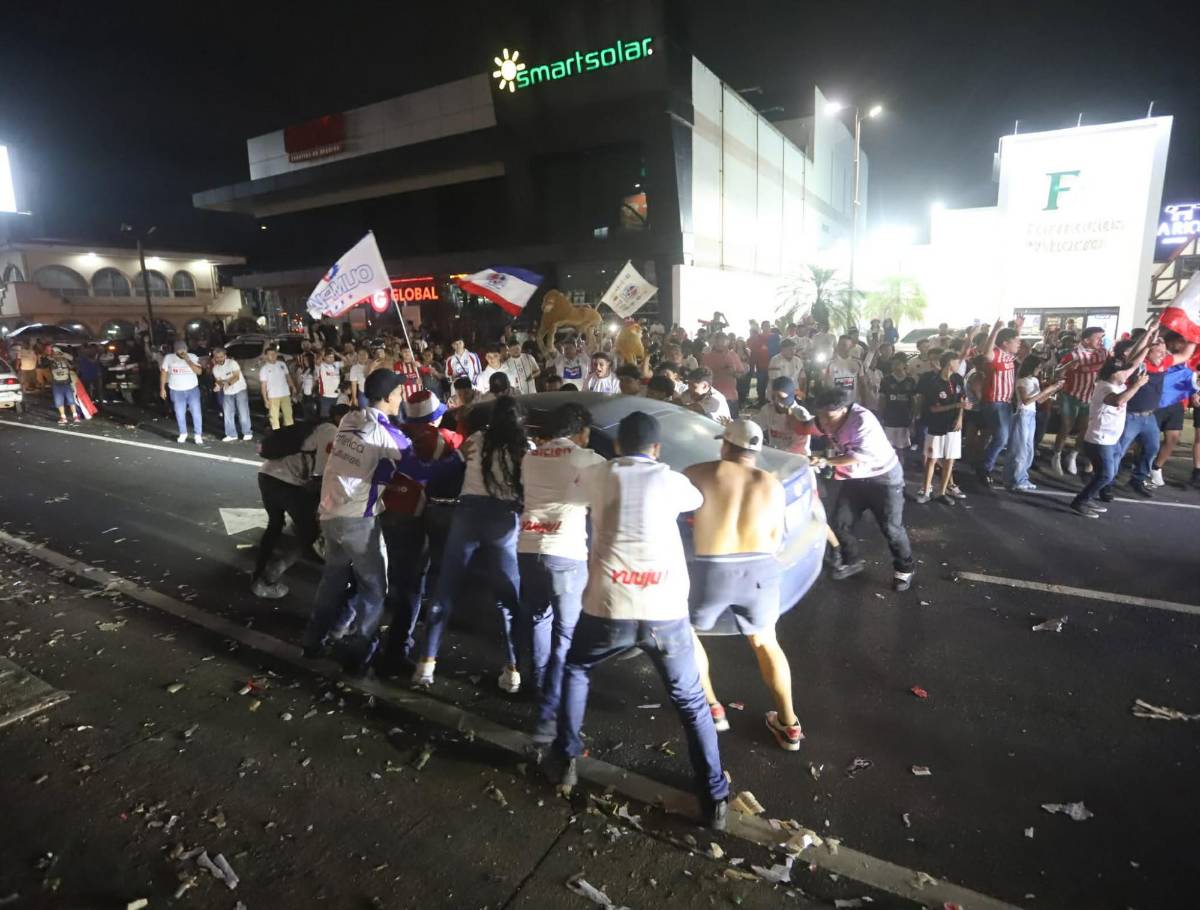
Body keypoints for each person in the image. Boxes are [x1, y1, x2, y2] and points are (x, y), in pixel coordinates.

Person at [542, 412, 729, 830]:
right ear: (657, 449)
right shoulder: (672, 480)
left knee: (576, 668)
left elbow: (573, 492)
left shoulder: (598, 474)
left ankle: (566, 758)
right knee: (691, 701)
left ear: (620, 446)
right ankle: (714, 797)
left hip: (608, 605)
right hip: (665, 611)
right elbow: (696, 501)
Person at [685, 419, 803, 751]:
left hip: (713, 572)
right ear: (757, 449)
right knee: (766, 643)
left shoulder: (699, 472)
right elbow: (777, 537)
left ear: (725, 444)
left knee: (686, 632)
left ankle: (713, 707)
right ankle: (789, 725)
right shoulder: (772, 484)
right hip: (761, 571)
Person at [412, 396, 528, 692]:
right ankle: (513, 671)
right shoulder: (526, 448)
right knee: (508, 600)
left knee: (445, 590)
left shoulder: (478, 437)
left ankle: (426, 666)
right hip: (504, 522)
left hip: (468, 516)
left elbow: (453, 463)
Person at [302, 370, 412, 673]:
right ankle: (360, 654)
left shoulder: (350, 420)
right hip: (358, 523)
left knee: (332, 581)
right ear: (389, 397)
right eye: (399, 393)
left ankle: (313, 640)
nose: (401, 398)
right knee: (374, 589)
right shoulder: (388, 435)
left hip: (330, 515)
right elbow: (419, 467)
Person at [521, 403, 608, 742]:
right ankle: (550, 707)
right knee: (566, 633)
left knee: (539, 619)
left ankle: (540, 681)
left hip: (528, 548)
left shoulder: (531, 456)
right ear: (579, 432)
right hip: (565, 554)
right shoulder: (586, 459)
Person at [375, 391, 466, 675]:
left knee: (393, 578)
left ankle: (362, 632)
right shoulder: (442, 438)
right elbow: (466, 446)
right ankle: (396, 651)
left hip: (383, 510)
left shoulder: (395, 433)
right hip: (411, 516)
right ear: (435, 416)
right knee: (411, 587)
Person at [812, 388, 915, 591]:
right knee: (840, 522)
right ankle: (852, 560)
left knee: (891, 529)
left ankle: (905, 568)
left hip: (884, 478)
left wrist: (825, 461)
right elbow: (809, 427)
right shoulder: (826, 418)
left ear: (844, 410)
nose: (824, 422)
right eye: (820, 416)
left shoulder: (862, 421)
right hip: (856, 478)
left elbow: (855, 457)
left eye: (828, 417)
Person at [251, 415, 339, 599]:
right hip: (286, 481)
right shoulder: (331, 431)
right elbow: (320, 473)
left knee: (275, 525)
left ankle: (258, 575)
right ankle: (270, 576)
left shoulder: (312, 425)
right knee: (309, 532)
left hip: (266, 475)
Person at [1070, 333, 1153, 518]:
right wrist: (1137, 385)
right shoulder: (1104, 387)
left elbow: (1133, 365)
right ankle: (1080, 502)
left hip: (1111, 439)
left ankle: (1087, 498)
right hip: (1099, 440)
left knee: (1109, 472)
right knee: (1106, 475)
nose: (1126, 374)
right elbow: (1118, 401)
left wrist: (1147, 346)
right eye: (1121, 372)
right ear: (1112, 374)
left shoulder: (1118, 382)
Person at [1106, 334, 1172, 499]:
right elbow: (1135, 356)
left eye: (1164, 351)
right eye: (1159, 351)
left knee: (1151, 448)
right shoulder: (1136, 365)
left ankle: (1138, 479)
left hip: (1149, 417)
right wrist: (1150, 334)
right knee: (1119, 451)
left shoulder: (1162, 365)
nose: (1163, 354)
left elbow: (1184, 355)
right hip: (1130, 416)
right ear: (1148, 352)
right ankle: (1106, 483)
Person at [1050, 326, 1107, 477]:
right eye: (1098, 338)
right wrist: (1069, 367)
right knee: (1066, 427)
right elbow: (1057, 372)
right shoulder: (1073, 354)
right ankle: (1056, 454)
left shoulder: (1103, 352)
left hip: (1091, 396)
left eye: (1102, 337)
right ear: (1086, 340)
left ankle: (1073, 455)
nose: (1101, 341)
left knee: (1085, 428)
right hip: (1071, 395)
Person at [916, 351, 969, 504]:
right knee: (932, 458)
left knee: (949, 460)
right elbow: (933, 408)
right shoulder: (933, 382)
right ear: (948, 362)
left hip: (953, 425)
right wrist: (957, 405)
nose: (959, 364)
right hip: (937, 425)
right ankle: (926, 490)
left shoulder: (958, 379)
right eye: (957, 361)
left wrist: (960, 417)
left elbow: (962, 400)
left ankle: (942, 492)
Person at [1005, 356, 1064, 493]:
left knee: (1029, 448)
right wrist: (1047, 390)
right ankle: (1014, 479)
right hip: (1022, 414)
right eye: (1038, 367)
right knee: (1019, 449)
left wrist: (1053, 389)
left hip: (1031, 415)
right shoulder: (1022, 381)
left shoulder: (1034, 380)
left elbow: (1040, 400)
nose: (1040, 369)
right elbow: (1026, 400)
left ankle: (1022, 477)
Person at [977, 318, 1022, 487]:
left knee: (999, 437)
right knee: (1001, 438)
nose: (1019, 343)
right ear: (1004, 343)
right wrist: (995, 329)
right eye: (1015, 341)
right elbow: (986, 352)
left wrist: (1017, 328)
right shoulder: (995, 354)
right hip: (994, 402)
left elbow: (1015, 341)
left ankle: (984, 463)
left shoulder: (1009, 355)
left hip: (1005, 403)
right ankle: (984, 467)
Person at [160, 339, 204, 444]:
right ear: (175, 350)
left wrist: (188, 360)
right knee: (180, 413)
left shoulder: (192, 356)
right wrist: (162, 388)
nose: (182, 351)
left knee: (196, 413)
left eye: (183, 349)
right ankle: (183, 433)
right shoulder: (169, 358)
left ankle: (198, 435)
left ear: (186, 349)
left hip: (192, 389)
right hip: (176, 390)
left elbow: (199, 372)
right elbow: (164, 373)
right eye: (179, 350)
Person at [763, 376, 816, 455]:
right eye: (774, 397)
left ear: (791, 396)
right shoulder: (768, 410)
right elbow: (755, 426)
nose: (777, 401)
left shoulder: (801, 415)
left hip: (797, 459)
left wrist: (775, 453)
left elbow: (799, 446)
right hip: (774, 456)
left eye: (781, 397)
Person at [211, 347, 253, 442]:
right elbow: (219, 381)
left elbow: (236, 377)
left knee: (243, 412)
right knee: (228, 413)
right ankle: (231, 434)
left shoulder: (232, 363)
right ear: (215, 358)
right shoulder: (215, 369)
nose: (219, 359)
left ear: (225, 356)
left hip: (240, 389)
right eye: (217, 357)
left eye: (221, 357)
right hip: (227, 392)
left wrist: (226, 384)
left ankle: (247, 432)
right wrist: (218, 386)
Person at [878, 354, 917, 456]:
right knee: (887, 448)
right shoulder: (886, 380)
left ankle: (901, 469)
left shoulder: (910, 381)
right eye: (893, 364)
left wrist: (913, 419)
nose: (895, 366)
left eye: (898, 364)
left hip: (904, 419)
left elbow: (913, 401)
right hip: (889, 418)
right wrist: (881, 416)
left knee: (901, 449)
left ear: (904, 365)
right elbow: (882, 400)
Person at [702, 334, 746, 418]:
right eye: (718, 341)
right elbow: (702, 377)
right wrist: (722, 371)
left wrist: (733, 373)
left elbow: (741, 374)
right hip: (711, 397)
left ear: (727, 343)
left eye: (723, 342)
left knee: (732, 426)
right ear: (714, 342)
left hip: (730, 397)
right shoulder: (706, 357)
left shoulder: (733, 355)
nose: (721, 344)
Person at [259, 347, 296, 430]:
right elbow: (263, 386)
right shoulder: (264, 369)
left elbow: (288, 376)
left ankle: (290, 432)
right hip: (273, 396)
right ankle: (276, 434)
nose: (272, 356)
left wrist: (293, 386)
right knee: (274, 417)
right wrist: (265, 400)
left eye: (274, 354)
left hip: (285, 394)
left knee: (288, 415)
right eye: (270, 354)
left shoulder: (282, 364)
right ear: (266, 356)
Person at [826, 335, 866, 403]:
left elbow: (862, 383)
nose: (842, 347)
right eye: (840, 344)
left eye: (845, 345)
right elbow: (825, 383)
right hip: (836, 403)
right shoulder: (829, 363)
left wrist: (864, 400)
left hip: (853, 403)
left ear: (851, 346)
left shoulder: (857, 362)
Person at [48, 348, 78, 424]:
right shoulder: (51, 362)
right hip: (57, 384)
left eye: (58, 354)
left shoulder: (65, 362)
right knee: (59, 401)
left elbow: (72, 363)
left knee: (71, 400)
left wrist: (63, 355)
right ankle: (63, 417)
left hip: (66, 383)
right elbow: (47, 358)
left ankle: (75, 416)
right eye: (55, 354)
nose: (57, 356)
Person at [317, 349, 342, 418]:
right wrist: (322, 354)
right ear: (324, 357)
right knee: (325, 417)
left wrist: (337, 353)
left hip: (337, 395)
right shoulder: (321, 366)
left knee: (335, 417)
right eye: (329, 357)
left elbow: (347, 362)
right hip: (326, 396)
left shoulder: (336, 364)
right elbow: (317, 362)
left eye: (332, 357)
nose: (331, 359)